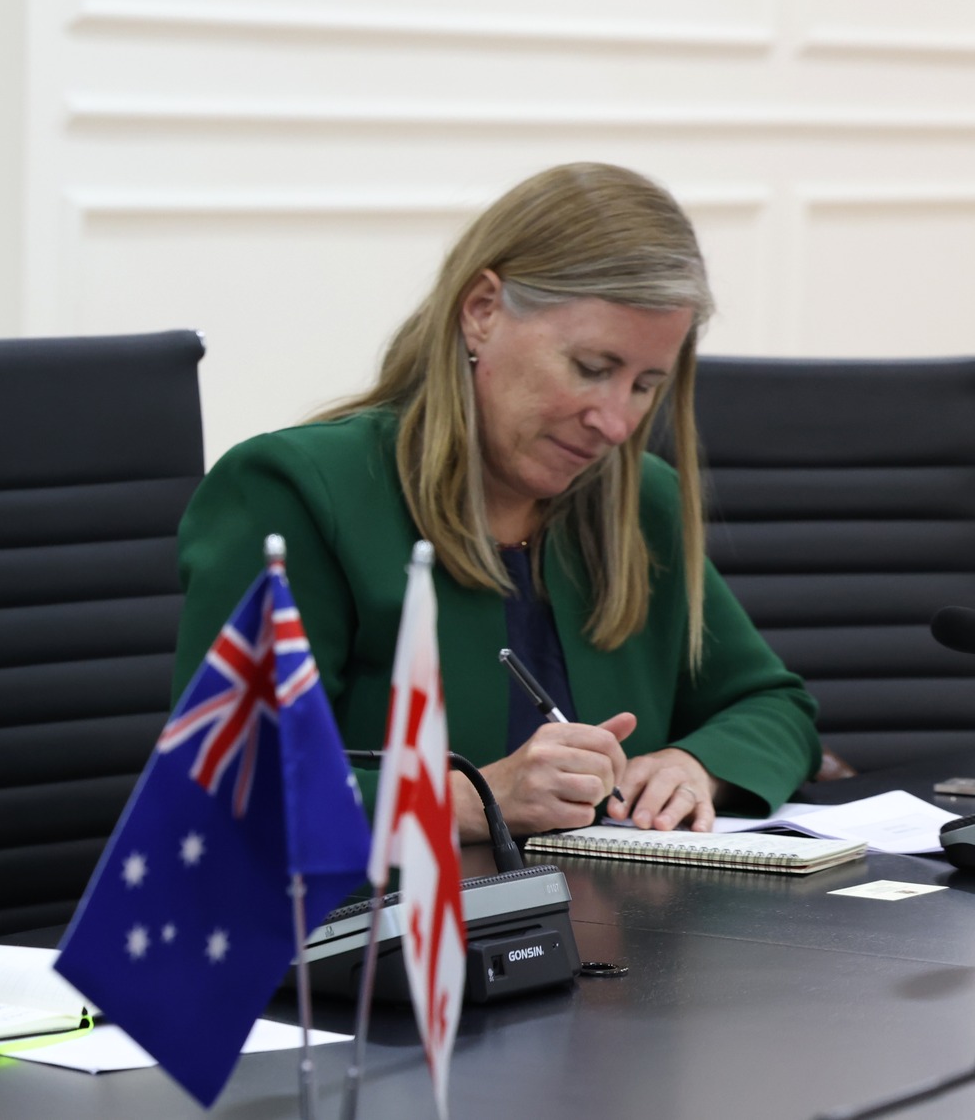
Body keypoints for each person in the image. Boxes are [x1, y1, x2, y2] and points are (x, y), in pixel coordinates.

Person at [173, 163, 818, 840]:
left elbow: (774, 706)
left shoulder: (638, 499)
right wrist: (476, 799)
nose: (616, 423)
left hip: (612, 904)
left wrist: (694, 765)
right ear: (482, 310)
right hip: (374, 909)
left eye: (643, 385)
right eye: (592, 368)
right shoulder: (296, 491)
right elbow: (228, 782)